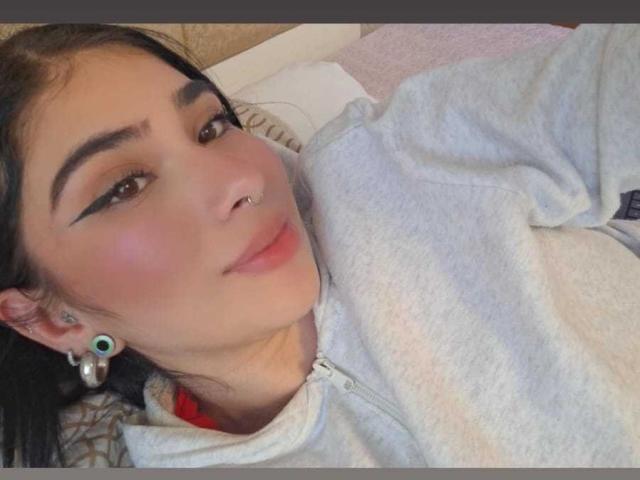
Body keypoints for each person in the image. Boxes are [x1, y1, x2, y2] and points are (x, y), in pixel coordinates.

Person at [0, 23, 638, 468]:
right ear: (52, 319)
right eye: (124, 187)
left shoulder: (395, 162)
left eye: (211, 127)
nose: (242, 180)